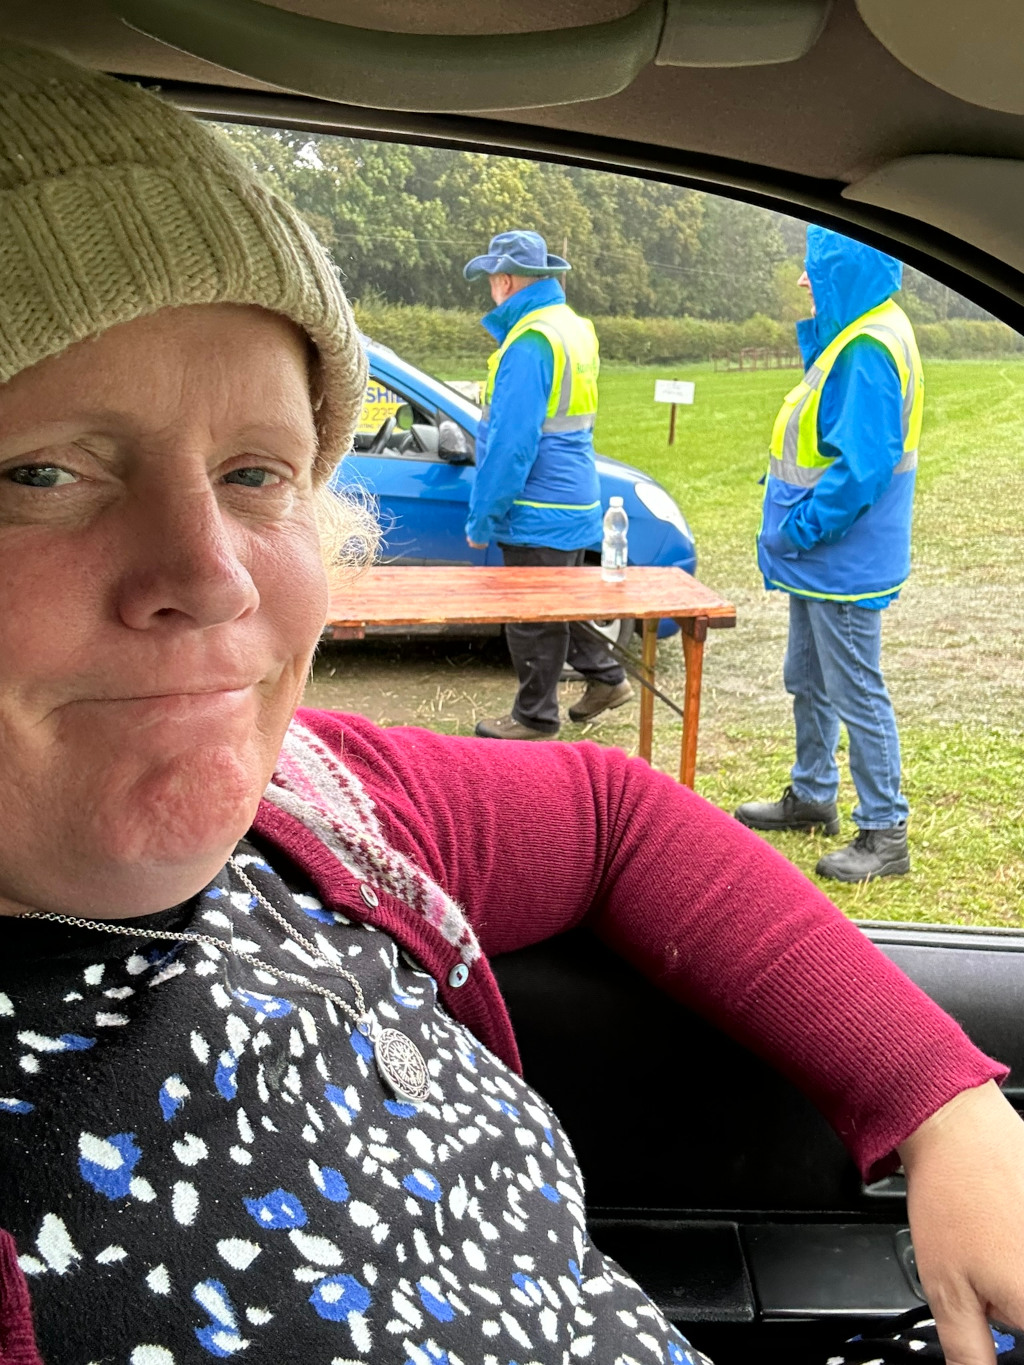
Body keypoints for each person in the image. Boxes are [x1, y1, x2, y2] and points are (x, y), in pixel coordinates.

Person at [1, 44, 1024, 1365]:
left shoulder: (316, 803)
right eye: (40, 474)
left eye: (259, 472)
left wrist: (942, 1100)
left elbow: (610, 811)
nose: (212, 575)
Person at [736, 227, 922, 883]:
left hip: (840, 558)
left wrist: (799, 528)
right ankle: (813, 793)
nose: (802, 280)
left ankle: (885, 831)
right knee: (808, 677)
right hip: (823, 560)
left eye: (813, 268)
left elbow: (862, 469)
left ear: (843, 269)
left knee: (855, 690)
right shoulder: (861, 331)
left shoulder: (868, 346)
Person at [462, 231, 634, 739]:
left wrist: (483, 517)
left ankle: (534, 718)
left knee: (532, 614)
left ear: (505, 281)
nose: (491, 290)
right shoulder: (572, 328)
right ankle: (607, 679)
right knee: (561, 600)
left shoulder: (530, 341)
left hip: (537, 503)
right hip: (576, 495)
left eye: (491, 280)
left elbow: (512, 445)